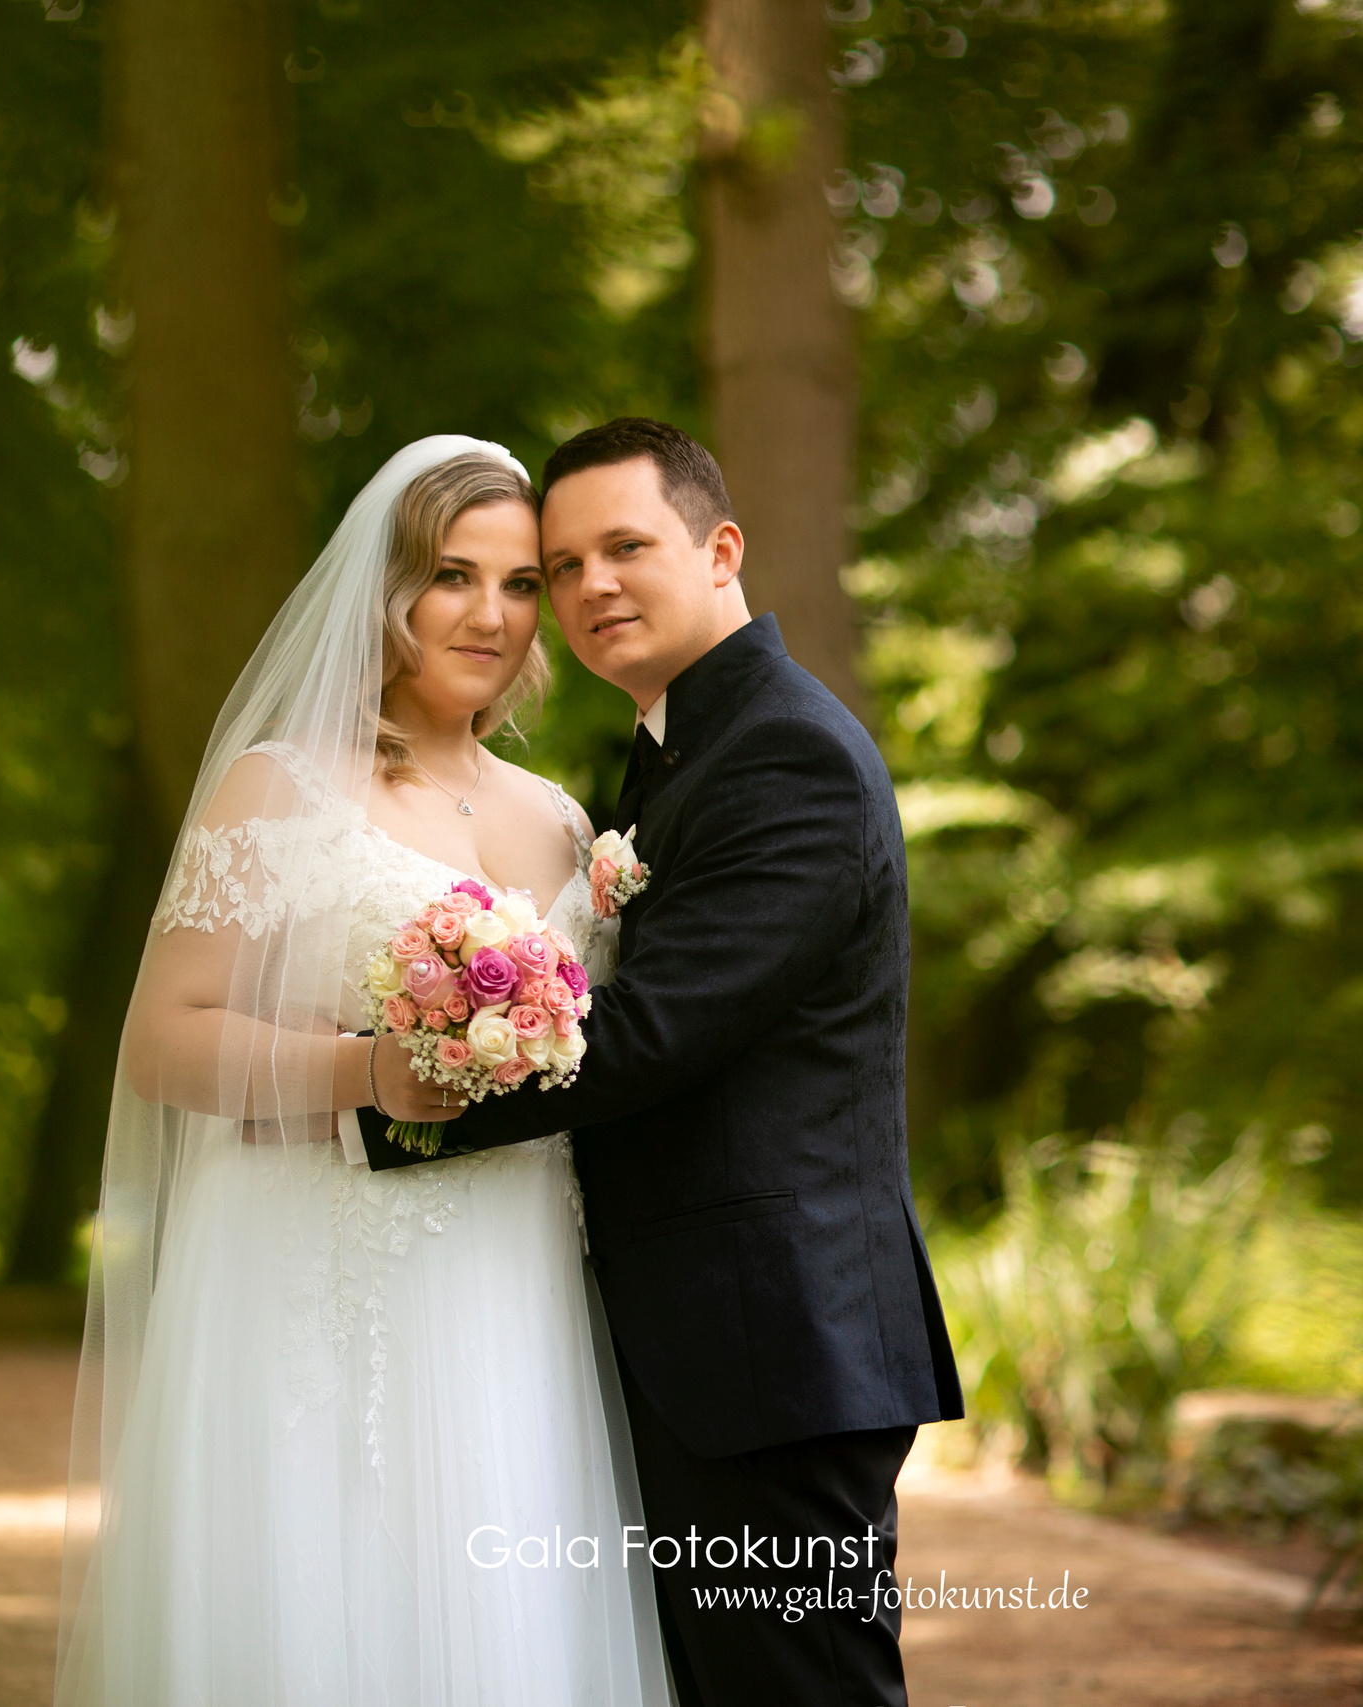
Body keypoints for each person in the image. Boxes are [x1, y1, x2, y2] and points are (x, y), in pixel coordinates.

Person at [352, 418, 965, 1705]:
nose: (589, 590)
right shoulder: (677, 751)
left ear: (721, 547)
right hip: (715, 1344)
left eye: (624, 547)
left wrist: (385, 1102)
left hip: (774, 1347)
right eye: (560, 567)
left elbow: (647, 1037)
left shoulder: (783, 755)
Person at [53, 436, 674, 1706]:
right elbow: (162, 1037)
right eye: (453, 576)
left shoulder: (560, 817)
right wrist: (364, 1068)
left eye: (518, 584)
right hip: (322, 1283)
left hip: (518, 1285)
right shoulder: (276, 791)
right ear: (389, 595)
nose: (489, 615)